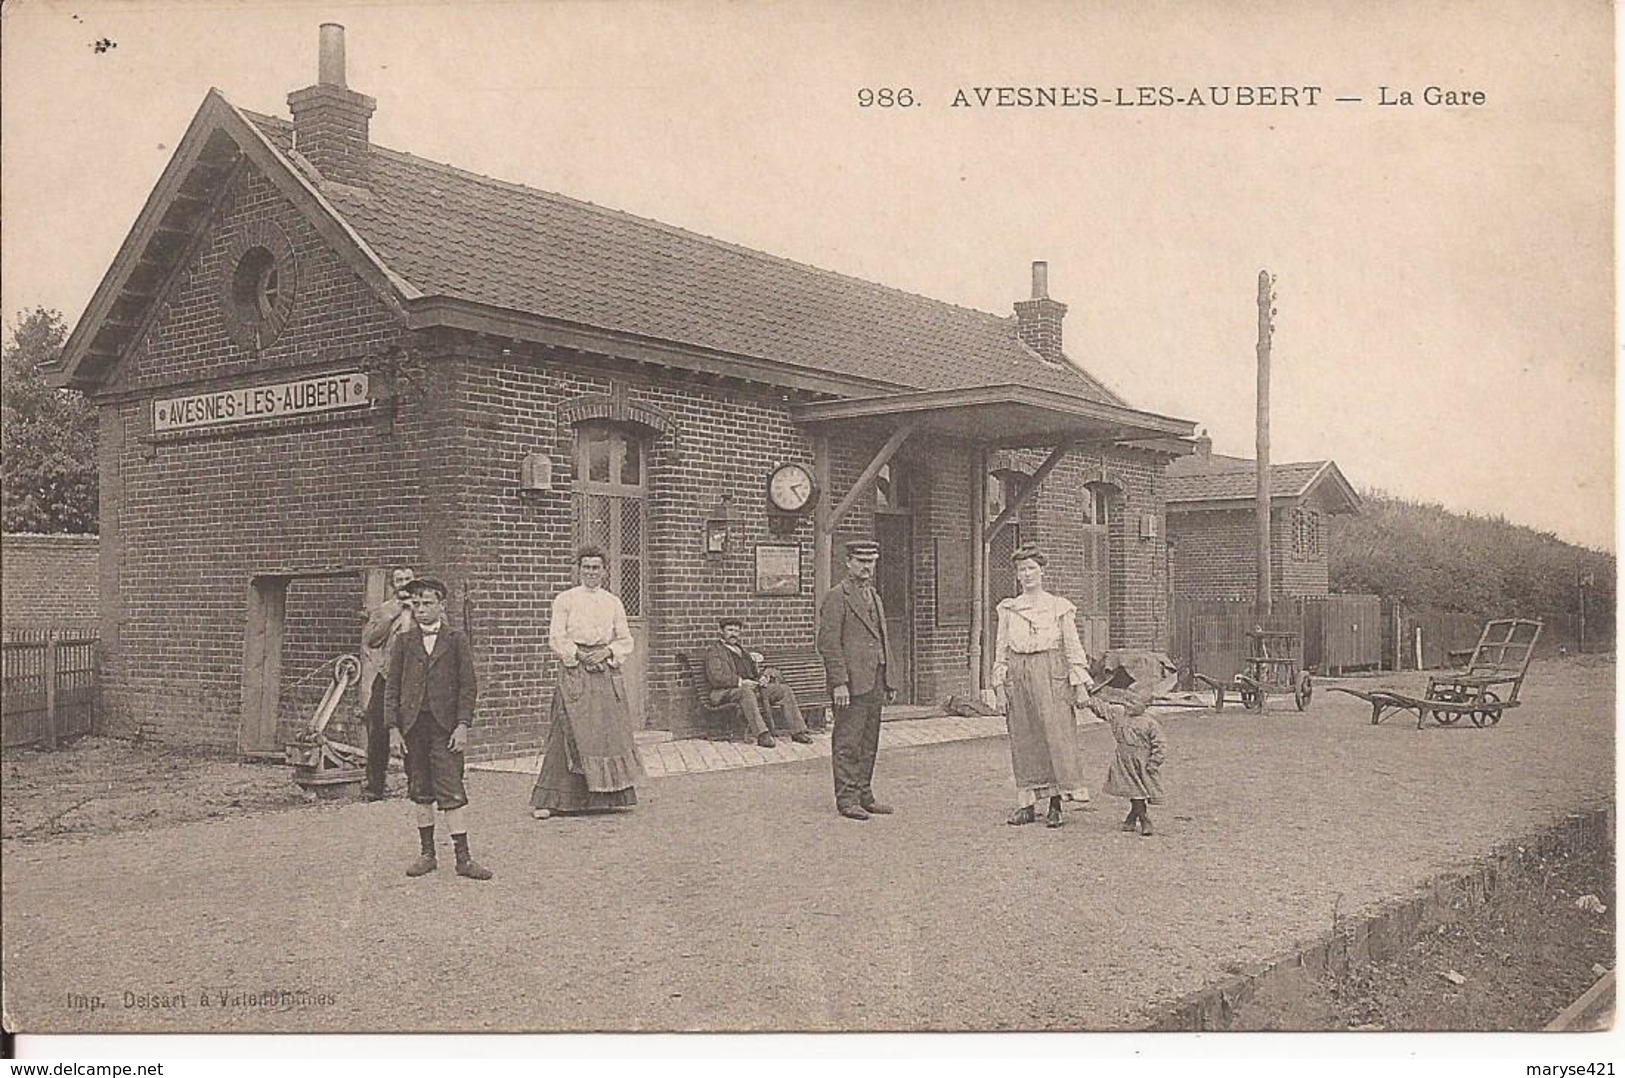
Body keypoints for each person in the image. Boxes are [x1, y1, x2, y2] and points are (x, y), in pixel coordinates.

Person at [384, 577, 493, 880]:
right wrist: (393, 728)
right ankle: (427, 854)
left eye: (427, 603)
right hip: (413, 727)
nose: (421, 609)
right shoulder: (404, 642)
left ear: (441, 605)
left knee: (451, 788)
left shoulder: (456, 640)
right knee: (420, 788)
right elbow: (392, 688)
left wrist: (462, 725)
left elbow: (468, 687)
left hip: (445, 729)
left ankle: (463, 858)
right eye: (416, 604)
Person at [530, 546, 645, 819]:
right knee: (567, 729)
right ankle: (553, 799)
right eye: (586, 568)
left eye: (596, 568)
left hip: (604, 668)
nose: (591, 572)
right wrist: (579, 655)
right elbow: (557, 636)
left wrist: (607, 653)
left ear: (605, 571)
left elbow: (625, 638)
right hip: (575, 670)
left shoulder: (613, 602)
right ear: (578, 570)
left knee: (606, 732)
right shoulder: (565, 599)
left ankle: (607, 798)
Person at [991, 543, 1093, 829]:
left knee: (1055, 735)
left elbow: (1072, 647)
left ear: (1042, 571)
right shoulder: (1009, 609)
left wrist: (1080, 684)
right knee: (1023, 737)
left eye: (1031, 568)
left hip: (1051, 672)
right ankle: (1026, 804)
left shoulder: (1059, 607)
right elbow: (1001, 649)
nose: (1026, 574)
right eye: (1021, 569)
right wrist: (999, 687)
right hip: (1018, 673)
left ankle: (1056, 804)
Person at [816, 538, 896, 821]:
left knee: (869, 740)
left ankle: (865, 794)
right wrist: (839, 682)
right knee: (848, 741)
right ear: (848, 562)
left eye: (871, 561)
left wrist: (888, 679)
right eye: (861, 561)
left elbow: (882, 639)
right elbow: (828, 643)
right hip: (849, 684)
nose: (867, 567)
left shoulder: (873, 596)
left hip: (873, 679)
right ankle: (847, 799)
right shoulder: (837, 597)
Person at [702, 616, 815, 748]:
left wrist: (761, 678)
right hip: (725, 692)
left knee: (783, 690)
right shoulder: (714, 652)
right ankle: (762, 734)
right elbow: (716, 678)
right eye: (730, 630)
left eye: (737, 631)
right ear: (721, 631)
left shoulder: (741, 650)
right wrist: (741, 682)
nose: (733, 634)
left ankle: (798, 731)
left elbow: (752, 672)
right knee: (746, 692)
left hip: (751, 687)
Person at [359, 565, 415, 800]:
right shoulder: (384, 609)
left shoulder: (425, 606)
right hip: (388, 676)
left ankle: (417, 784)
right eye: (399, 580)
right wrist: (392, 614)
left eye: (408, 579)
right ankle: (375, 785)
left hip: (415, 679)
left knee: (415, 729)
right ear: (393, 585)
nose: (403, 583)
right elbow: (371, 640)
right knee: (376, 723)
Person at [1094, 688, 1167, 837]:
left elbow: (1160, 744)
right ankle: (1143, 819)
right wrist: (1089, 700)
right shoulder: (1118, 714)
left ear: (1145, 705)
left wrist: (1154, 762)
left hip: (1142, 762)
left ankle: (1135, 818)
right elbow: (1102, 709)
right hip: (1123, 760)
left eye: (1133, 702)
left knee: (1139, 790)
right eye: (1126, 701)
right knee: (1134, 790)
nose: (1128, 705)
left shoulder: (1150, 723)